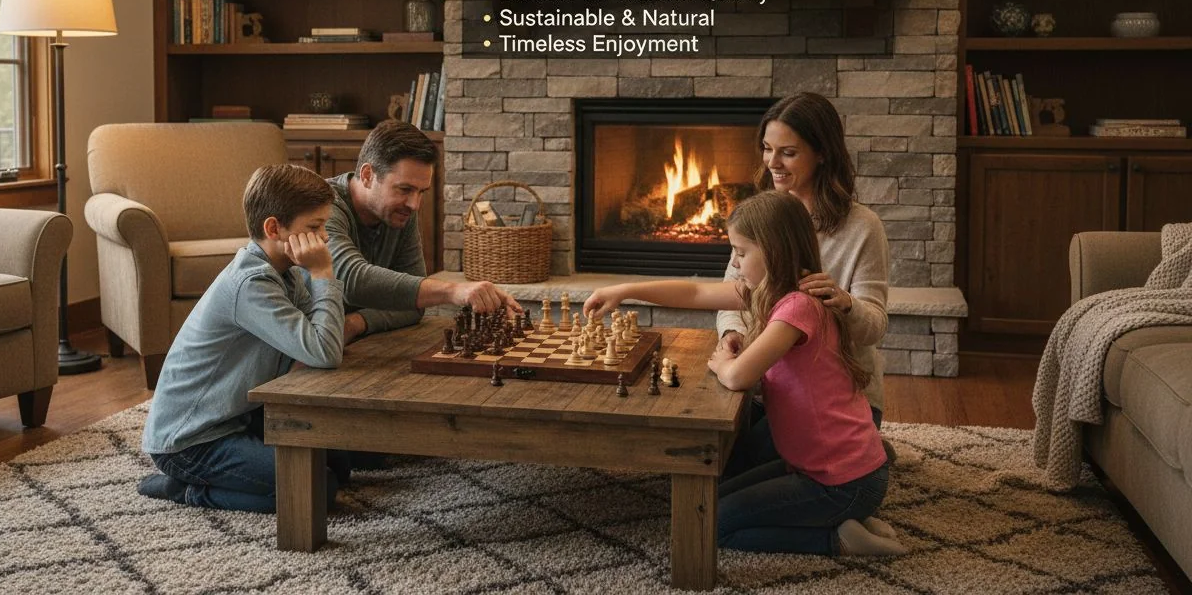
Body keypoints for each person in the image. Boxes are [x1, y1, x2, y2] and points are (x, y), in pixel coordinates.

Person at [584, 191, 904, 556]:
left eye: (740, 251)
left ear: (773, 251)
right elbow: (695, 292)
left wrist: (723, 363)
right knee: (705, 500)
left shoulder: (798, 307)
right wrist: (625, 290)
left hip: (843, 482)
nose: (734, 263)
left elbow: (738, 377)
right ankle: (847, 515)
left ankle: (838, 539)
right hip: (819, 470)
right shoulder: (774, 292)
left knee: (710, 524)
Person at [137, 164, 345, 512]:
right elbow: (325, 351)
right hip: (191, 440)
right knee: (317, 489)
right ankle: (187, 490)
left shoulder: (286, 273)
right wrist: (323, 272)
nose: (323, 238)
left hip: (238, 419)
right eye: (314, 227)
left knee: (341, 463)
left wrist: (316, 281)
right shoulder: (251, 284)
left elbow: (323, 335)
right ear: (273, 228)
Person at [718, 91, 892, 472]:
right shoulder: (764, 214)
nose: (772, 163)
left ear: (822, 153)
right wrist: (732, 333)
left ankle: (864, 450)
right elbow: (732, 294)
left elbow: (875, 327)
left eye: (788, 153)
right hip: (769, 387)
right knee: (718, 459)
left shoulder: (863, 227)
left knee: (739, 473)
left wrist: (846, 303)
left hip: (837, 401)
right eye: (767, 149)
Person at [326, 120, 520, 344]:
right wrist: (452, 291)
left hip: (350, 344)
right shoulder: (320, 205)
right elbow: (350, 279)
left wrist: (356, 323)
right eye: (405, 189)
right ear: (368, 175)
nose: (415, 204)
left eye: (421, 192)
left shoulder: (399, 211)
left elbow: (413, 306)